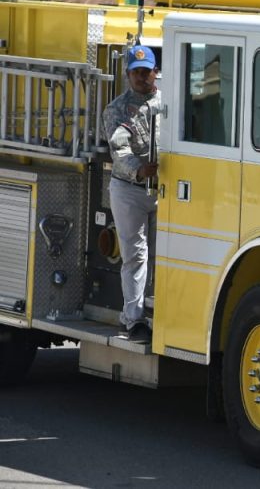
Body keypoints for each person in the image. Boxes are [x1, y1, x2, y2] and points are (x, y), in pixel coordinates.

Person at [102, 44, 160, 343]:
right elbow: (119, 149)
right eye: (136, 72)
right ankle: (134, 320)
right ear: (127, 75)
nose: (141, 77)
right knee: (135, 256)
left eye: (146, 71)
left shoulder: (168, 104)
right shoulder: (116, 109)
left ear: (156, 72)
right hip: (129, 190)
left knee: (163, 255)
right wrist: (139, 168)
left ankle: (160, 314)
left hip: (165, 191)